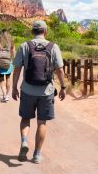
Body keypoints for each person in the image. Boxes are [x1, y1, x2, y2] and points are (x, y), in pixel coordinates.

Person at [12, 20, 66, 164]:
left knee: (25, 119)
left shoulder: (24, 46)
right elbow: (60, 70)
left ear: (32, 32)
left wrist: (14, 88)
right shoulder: (53, 47)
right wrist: (63, 87)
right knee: (42, 122)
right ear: (45, 31)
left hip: (27, 90)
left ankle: (24, 141)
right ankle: (36, 154)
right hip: (46, 91)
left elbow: (16, 69)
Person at [0, 29, 15, 102]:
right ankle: (6, 94)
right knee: (8, 78)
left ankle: (4, 95)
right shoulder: (11, 40)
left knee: (1, 80)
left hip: (0, 62)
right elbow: (13, 51)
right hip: (8, 62)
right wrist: (14, 60)